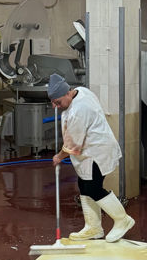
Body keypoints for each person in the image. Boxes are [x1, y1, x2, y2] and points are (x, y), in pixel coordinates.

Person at [47, 72, 135, 242]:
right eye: (52, 102)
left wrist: (59, 156)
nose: (54, 106)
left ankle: (122, 220)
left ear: (67, 93)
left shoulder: (78, 110)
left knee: (93, 188)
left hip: (97, 153)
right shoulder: (81, 91)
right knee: (84, 185)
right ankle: (93, 227)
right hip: (89, 152)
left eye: (57, 102)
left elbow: (73, 144)